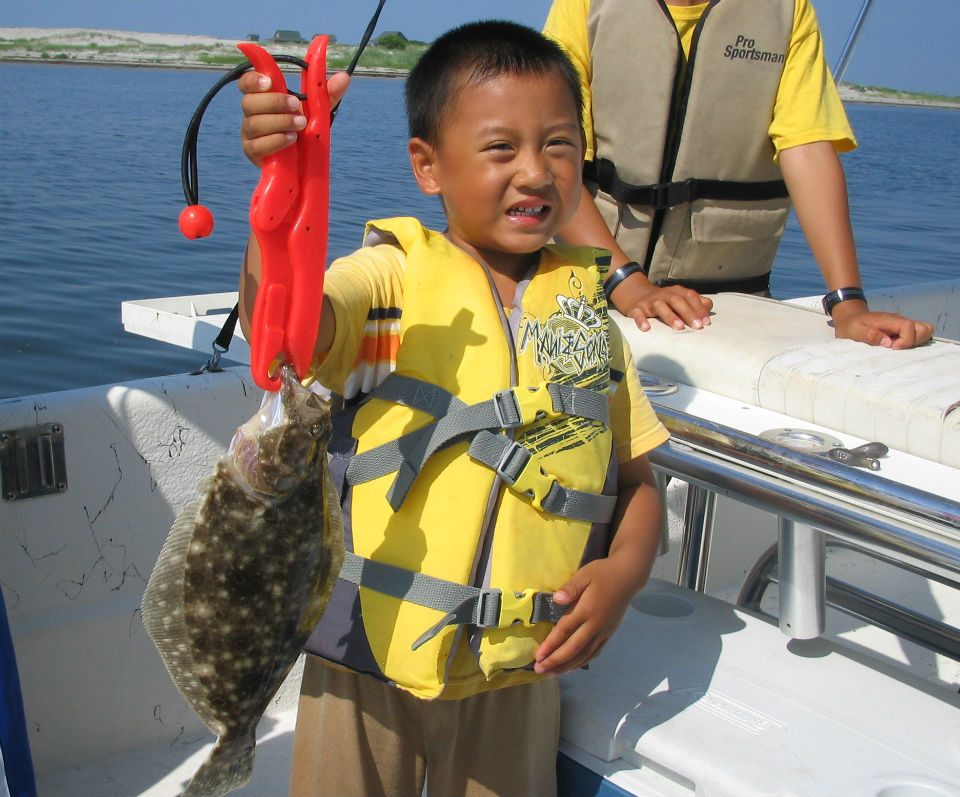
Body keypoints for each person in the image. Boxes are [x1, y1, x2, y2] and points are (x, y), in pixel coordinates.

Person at [237, 21, 670, 797]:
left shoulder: (587, 316)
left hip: (520, 674)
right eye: (501, 148)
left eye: (560, 146)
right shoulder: (391, 278)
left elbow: (637, 481)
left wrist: (624, 572)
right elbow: (291, 339)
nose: (535, 173)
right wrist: (283, 193)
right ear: (427, 166)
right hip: (368, 671)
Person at [543, 0, 934, 349]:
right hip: (588, 298)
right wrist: (627, 283)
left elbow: (809, 149)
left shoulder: (787, 10)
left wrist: (848, 303)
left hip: (727, 313)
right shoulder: (585, 6)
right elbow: (555, 164)